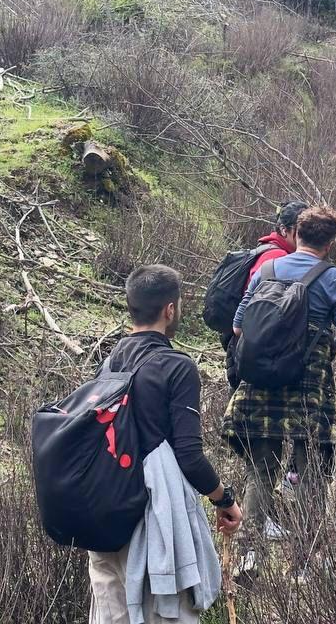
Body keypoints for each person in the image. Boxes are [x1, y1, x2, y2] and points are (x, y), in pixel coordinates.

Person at [88, 265, 243, 624]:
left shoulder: (109, 363)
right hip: (152, 513)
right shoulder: (176, 366)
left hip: (105, 511)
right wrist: (225, 499)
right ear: (170, 310)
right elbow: (189, 456)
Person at [224, 207, 336, 579]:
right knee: (311, 470)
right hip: (308, 388)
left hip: (260, 385)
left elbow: (238, 328)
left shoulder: (267, 271)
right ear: (330, 244)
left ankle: (250, 553)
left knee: (261, 469)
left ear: (296, 233)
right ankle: (305, 560)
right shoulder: (334, 280)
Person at [220, 202, 308, 389]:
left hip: (247, 338)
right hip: (251, 342)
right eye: (301, 230)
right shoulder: (276, 256)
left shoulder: (269, 250)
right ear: (284, 230)